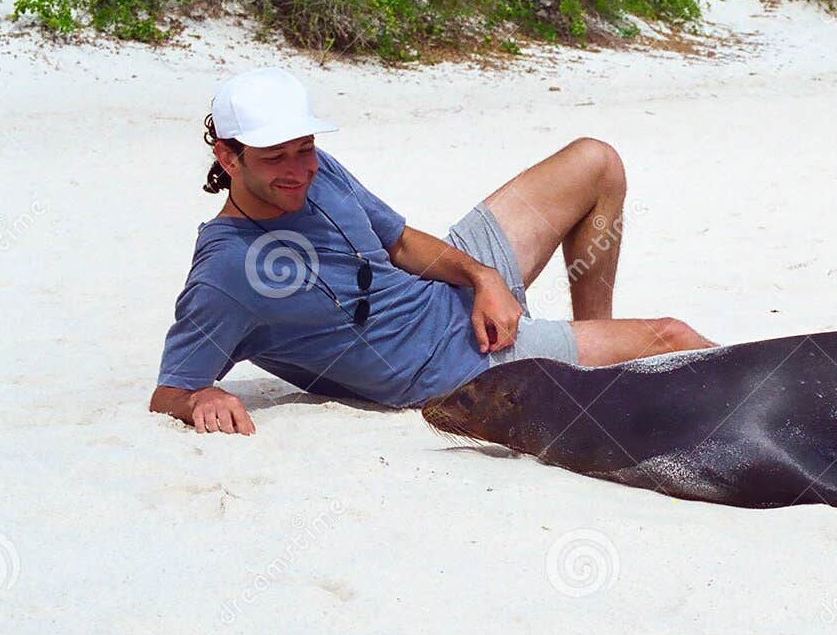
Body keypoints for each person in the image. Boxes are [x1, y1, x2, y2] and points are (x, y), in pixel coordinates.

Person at [150, 67, 714, 435]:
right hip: (462, 359)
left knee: (597, 160)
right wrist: (199, 400)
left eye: (306, 149)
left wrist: (484, 277)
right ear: (228, 157)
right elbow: (170, 390)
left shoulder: (314, 172)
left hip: (458, 288)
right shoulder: (226, 272)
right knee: (675, 338)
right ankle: (605, 357)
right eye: (276, 158)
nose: (298, 171)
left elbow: (398, 242)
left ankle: (597, 348)